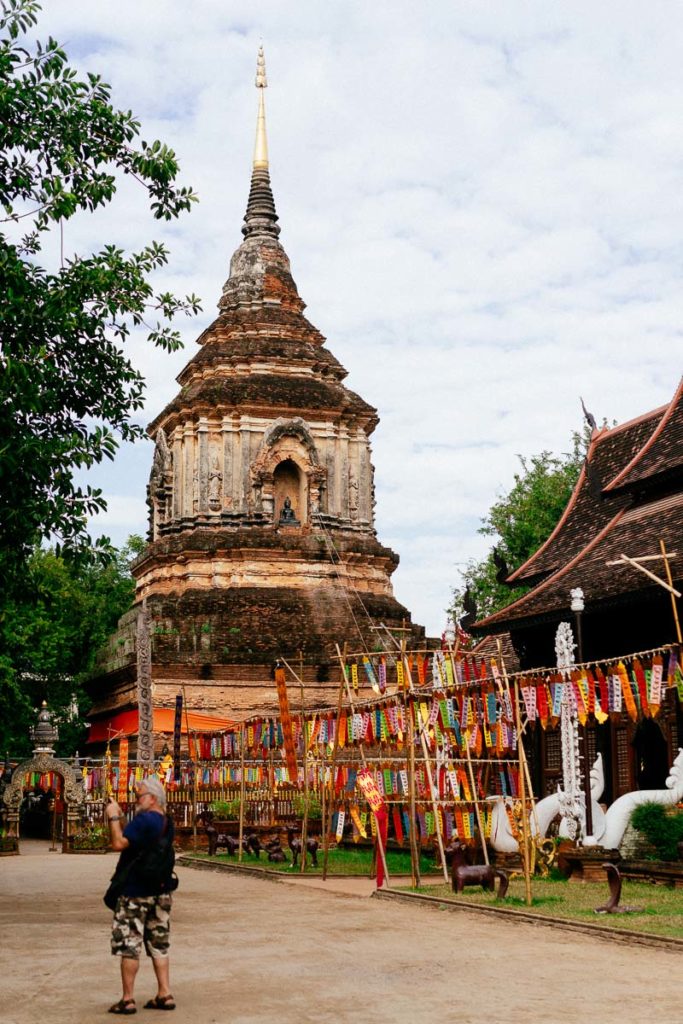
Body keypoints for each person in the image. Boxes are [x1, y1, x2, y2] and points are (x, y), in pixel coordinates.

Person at [106, 777, 176, 1014]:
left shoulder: (144, 820)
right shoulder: (166, 822)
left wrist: (113, 816)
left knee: (130, 943)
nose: (137, 800)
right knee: (159, 943)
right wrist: (123, 818)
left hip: (135, 891)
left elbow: (118, 843)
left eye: (140, 796)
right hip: (161, 891)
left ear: (153, 798)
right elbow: (135, 837)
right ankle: (164, 993)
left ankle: (127, 999)